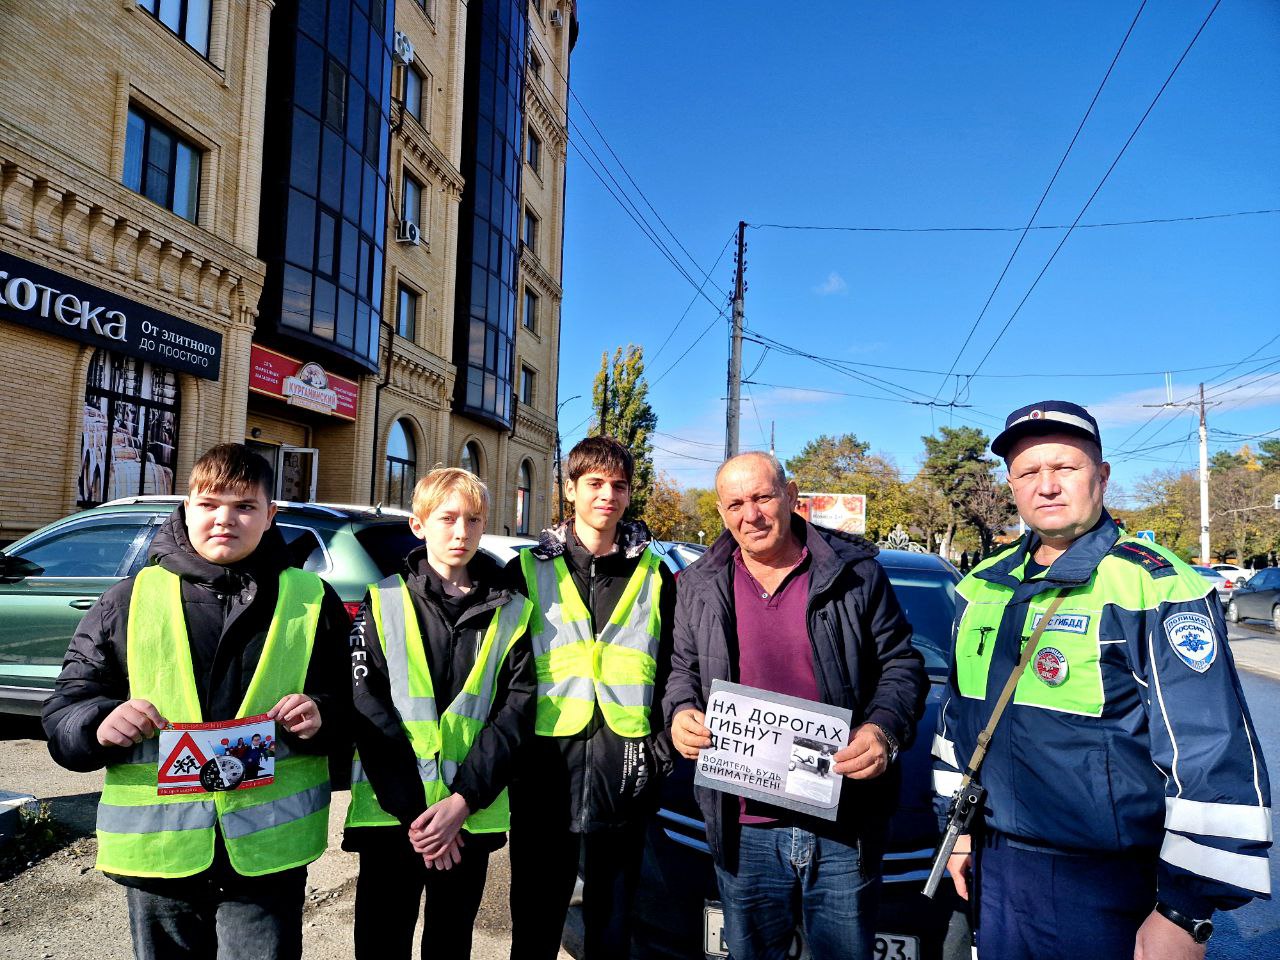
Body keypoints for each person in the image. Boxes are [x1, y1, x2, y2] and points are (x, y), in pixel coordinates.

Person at [932, 401, 1272, 960]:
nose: (1046, 486)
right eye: (1028, 473)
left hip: (1107, 887)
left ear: (1102, 476)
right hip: (998, 869)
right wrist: (960, 831)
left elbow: (1210, 755)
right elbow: (956, 725)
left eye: (1065, 467)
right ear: (1012, 488)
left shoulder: (1153, 585)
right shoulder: (983, 587)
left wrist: (1186, 914)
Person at [43, 443, 350, 960]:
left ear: (270, 515)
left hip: (266, 857)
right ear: (186, 507)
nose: (224, 519)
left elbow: (359, 708)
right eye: (208, 504)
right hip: (162, 853)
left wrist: (325, 714)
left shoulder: (312, 601)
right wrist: (98, 723)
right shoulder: (129, 599)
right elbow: (66, 707)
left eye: (244, 506)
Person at [666, 451, 928, 960]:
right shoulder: (697, 585)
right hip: (743, 829)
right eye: (736, 503)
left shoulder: (856, 574)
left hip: (841, 827)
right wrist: (679, 714)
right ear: (721, 512)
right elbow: (682, 672)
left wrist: (883, 731)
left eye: (763, 497)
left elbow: (903, 665)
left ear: (790, 497)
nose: (751, 515)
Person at [343, 467, 535, 960]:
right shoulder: (381, 599)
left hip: (469, 818)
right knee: (381, 944)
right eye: (447, 518)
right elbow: (368, 708)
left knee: (450, 944)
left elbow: (512, 717)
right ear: (418, 524)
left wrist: (461, 804)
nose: (461, 532)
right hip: (393, 817)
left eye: (473, 520)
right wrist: (419, 816)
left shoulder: (512, 609)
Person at [506, 436, 677, 960]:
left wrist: (660, 753)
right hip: (544, 770)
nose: (608, 495)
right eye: (596, 484)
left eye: (619, 485)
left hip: (623, 769)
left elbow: (678, 670)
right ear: (571, 490)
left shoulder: (656, 573)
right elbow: (500, 671)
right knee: (534, 920)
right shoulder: (527, 570)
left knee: (612, 924)